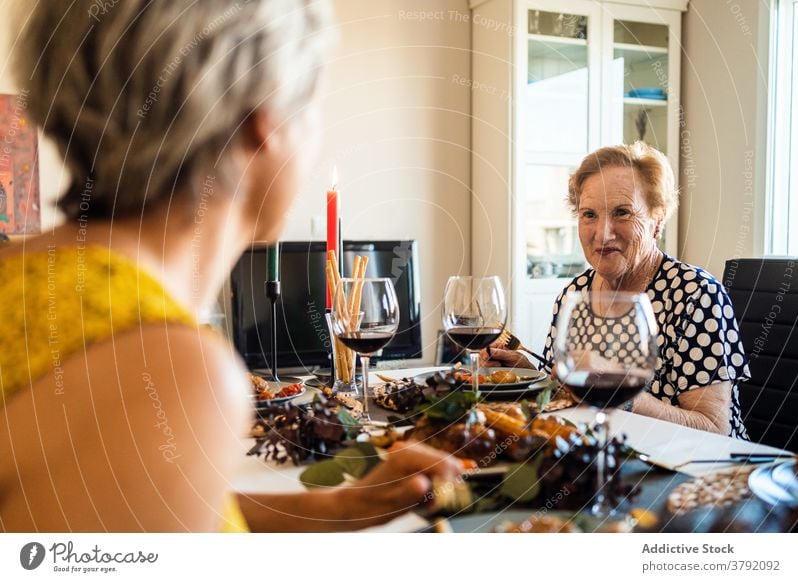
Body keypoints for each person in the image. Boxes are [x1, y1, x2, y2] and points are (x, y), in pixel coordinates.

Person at [0, 0, 460, 532]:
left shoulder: (29, 278)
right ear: (264, 123)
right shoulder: (171, 373)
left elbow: (141, 502)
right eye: (312, 104)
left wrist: (335, 507)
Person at [486, 142, 749, 438]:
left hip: (688, 469)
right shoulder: (575, 293)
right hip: (603, 456)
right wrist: (524, 371)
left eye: (622, 212)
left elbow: (714, 429)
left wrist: (619, 388)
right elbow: (565, 393)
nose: (603, 233)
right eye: (589, 214)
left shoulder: (694, 294)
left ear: (657, 218)